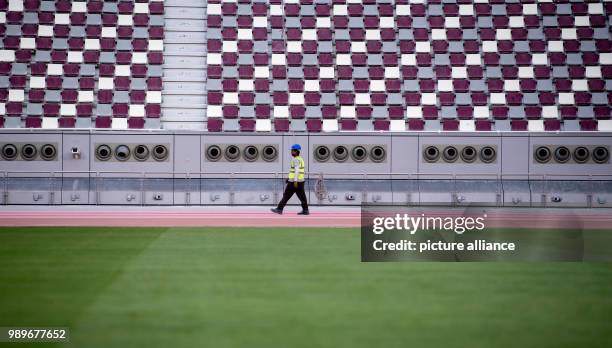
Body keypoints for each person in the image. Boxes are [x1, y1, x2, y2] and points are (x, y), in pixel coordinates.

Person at [271, 144, 309, 215]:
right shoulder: (300, 159)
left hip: (294, 182)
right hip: (300, 181)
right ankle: (305, 210)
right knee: (302, 196)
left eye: (292, 151)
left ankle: (279, 209)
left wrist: (294, 180)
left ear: (296, 151)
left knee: (286, 195)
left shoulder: (296, 160)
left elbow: (297, 170)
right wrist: (289, 178)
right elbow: (295, 171)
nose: (291, 152)